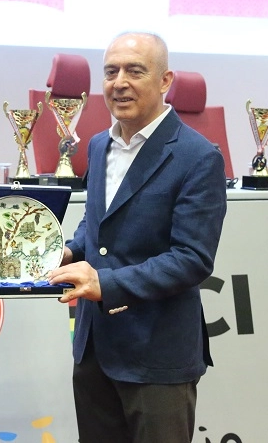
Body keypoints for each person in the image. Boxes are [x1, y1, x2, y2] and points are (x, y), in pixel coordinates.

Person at [48, 32, 227, 442]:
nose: (119, 83)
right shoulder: (98, 145)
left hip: (157, 357)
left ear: (165, 81)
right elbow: (97, 222)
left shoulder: (198, 156)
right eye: (110, 72)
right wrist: (70, 250)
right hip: (94, 350)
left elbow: (192, 258)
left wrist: (105, 283)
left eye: (135, 71)